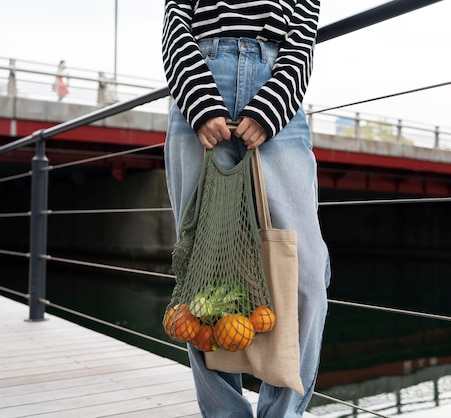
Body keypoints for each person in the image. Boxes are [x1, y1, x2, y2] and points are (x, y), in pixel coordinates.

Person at [162, 1, 331, 417]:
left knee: (308, 274)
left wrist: (271, 105)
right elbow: (174, 20)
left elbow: (303, 27)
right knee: (202, 276)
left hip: (276, 88)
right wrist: (199, 101)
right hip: (201, 79)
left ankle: (283, 414)